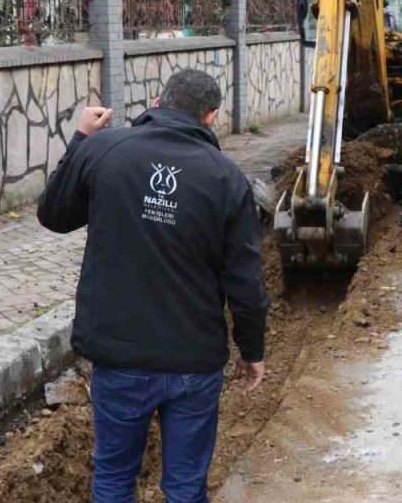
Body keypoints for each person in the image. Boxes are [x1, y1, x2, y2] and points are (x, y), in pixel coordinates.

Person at [37, 69, 269, 503]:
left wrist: (81, 140)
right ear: (212, 116)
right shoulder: (227, 179)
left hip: (119, 355)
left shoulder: (105, 149)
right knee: (184, 487)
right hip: (193, 364)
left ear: (158, 103)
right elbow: (246, 281)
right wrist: (251, 351)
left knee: (113, 478)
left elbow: (54, 215)